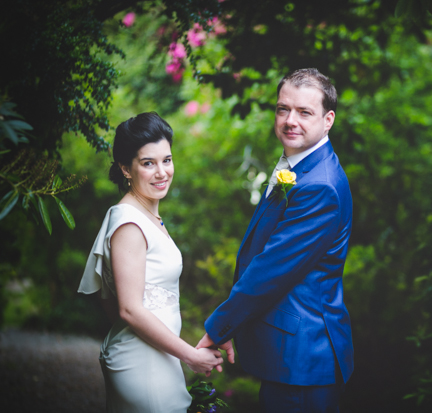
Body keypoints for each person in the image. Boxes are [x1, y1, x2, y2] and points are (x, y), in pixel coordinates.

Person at [198, 68, 354, 412]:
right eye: (283, 109)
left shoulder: (320, 186)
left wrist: (219, 328)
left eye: (304, 112)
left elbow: (269, 270)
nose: (289, 120)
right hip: (291, 356)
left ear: (328, 119)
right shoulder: (300, 166)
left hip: (304, 362)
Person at [78, 112, 225, 412]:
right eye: (148, 163)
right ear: (125, 169)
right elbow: (128, 309)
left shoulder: (149, 217)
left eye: (167, 160)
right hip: (142, 364)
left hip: (157, 357)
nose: (162, 172)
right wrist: (190, 355)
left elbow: (109, 298)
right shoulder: (129, 223)